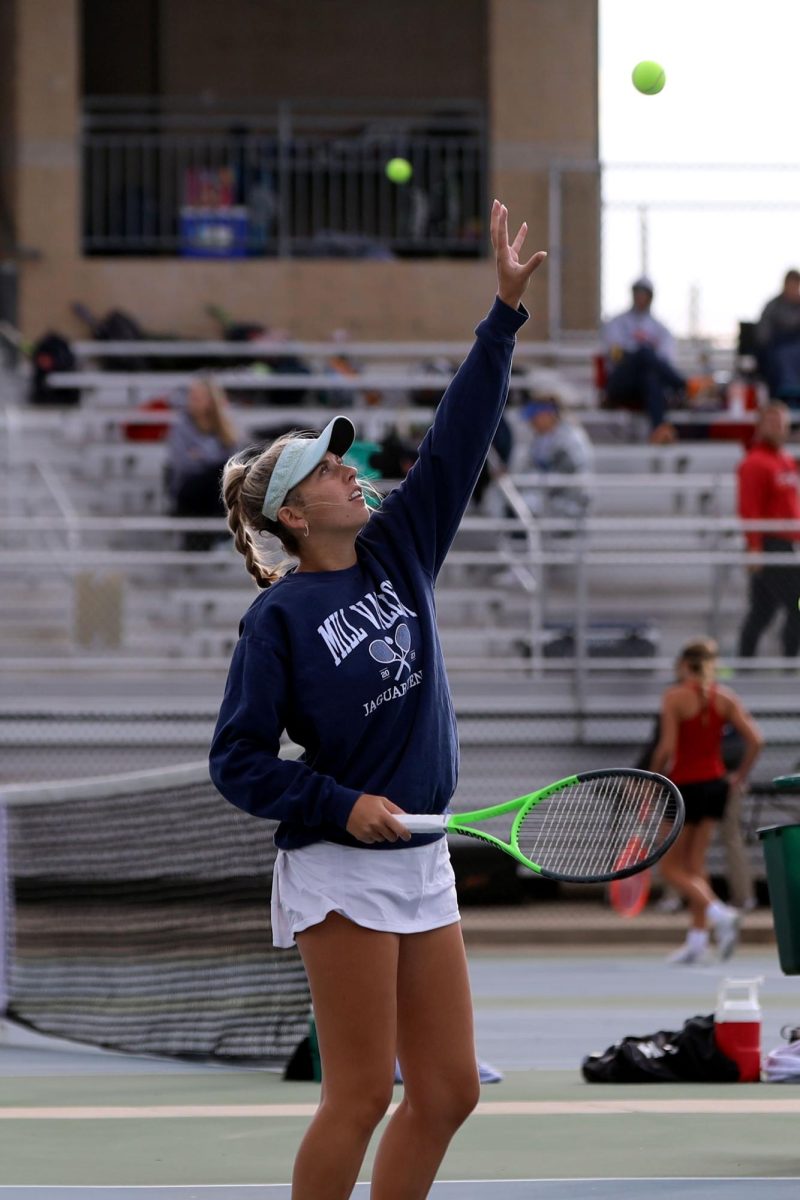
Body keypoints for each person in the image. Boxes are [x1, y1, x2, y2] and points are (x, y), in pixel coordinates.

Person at [209, 200, 546, 1200]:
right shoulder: (278, 619)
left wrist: (503, 314)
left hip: (420, 857)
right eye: (328, 468)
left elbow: (453, 443)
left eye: (346, 461)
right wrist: (337, 803)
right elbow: (238, 763)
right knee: (356, 1093)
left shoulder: (399, 550)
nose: (353, 472)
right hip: (338, 867)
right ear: (292, 510)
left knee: (444, 1090)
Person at [649, 637, 763, 965]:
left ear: (684, 664)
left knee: (670, 867)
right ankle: (698, 941)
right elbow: (757, 739)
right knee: (695, 866)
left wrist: (652, 778)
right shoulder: (724, 697)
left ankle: (719, 913)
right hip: (715, 785)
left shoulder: (675, 697)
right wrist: (738, 776)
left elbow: (667, 747)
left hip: (684, 786)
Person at [737, 401, 800, 658]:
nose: (778, 428)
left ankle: (744, 661)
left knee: (762, 610)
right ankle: (789, 662)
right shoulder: (755, 463)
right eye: (772, 422)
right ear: (761, 426)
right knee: (798, 605)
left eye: (782, 423)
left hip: (789, 545)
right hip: (771, 545)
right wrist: (754, 547)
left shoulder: (786, 460)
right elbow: (749, 508)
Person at [601, 277, 686, 442]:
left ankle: (658, 431)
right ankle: (682, 384)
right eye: (637, 293)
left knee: (650, 376)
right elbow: (616, 355)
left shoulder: (660, 328)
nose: (640, 298)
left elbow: (666, 358)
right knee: (643, 353)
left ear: (650, 297)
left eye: (644, 294)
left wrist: (643, 354)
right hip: (621, 382)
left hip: (645, 386)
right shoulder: (617, 322)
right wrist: (640, 353)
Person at [166, 374, 240, 548]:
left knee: (224, 477)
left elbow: (236, 462)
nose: (193, 401)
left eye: (198, 397)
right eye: (192, 397)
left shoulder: (225, 427)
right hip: (188, 490)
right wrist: (213, 454)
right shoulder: (180, 428)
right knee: (217, 473)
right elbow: (184, 465)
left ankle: (217, 538)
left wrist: (201, 455)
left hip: (217, 491)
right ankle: (215, 539)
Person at [517, 393, 594, 521]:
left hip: (569, 505)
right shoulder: (540, 439)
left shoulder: (570, 440)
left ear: (548, 414)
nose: (531, 422)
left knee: (529, 502)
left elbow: (564, 477)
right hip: (549, 502)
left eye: (534, 416)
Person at [755, 269, 800, 397]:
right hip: (777, 348)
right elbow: (762, 334)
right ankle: (789, 391)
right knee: (784, 356)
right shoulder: (773, 306)